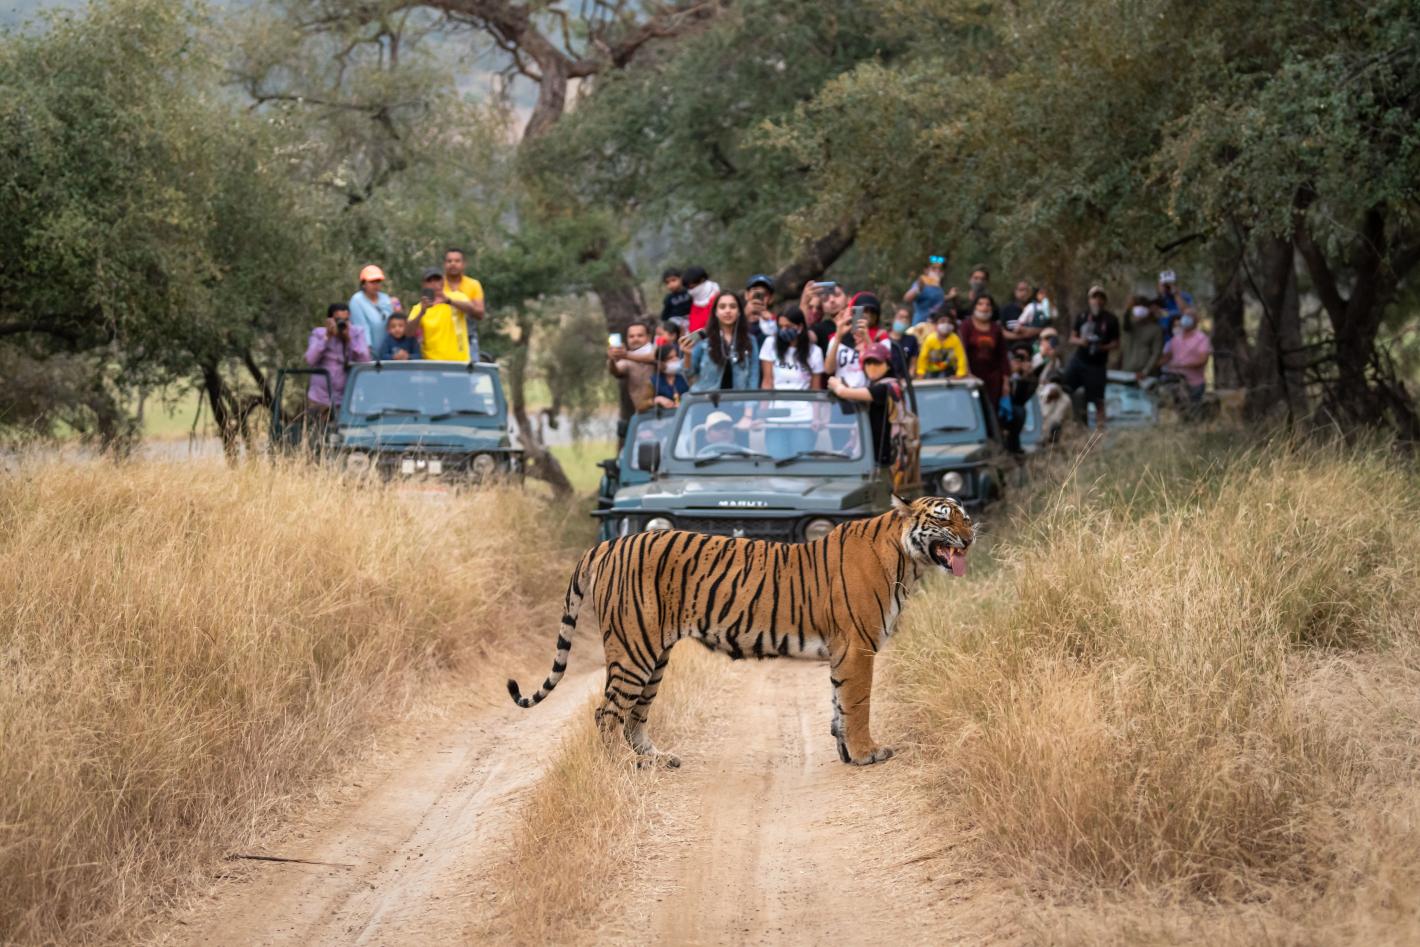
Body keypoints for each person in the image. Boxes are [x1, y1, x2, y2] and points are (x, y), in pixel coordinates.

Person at [827, 342, 900, 468]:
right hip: (873, 453)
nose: (872, 367)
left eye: (877, 363)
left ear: (888, 365)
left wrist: (836, 384)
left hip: (884, 457)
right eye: (868, 363)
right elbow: (855, 398)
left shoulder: (886, 387)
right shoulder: (877, 385)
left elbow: (843, 392)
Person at [1064, 285, 1121, 428]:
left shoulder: (1111, 319)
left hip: (1097, 365)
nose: (1097, 301)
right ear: (1089, 300)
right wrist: (1081, 342)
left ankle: (1101, 427)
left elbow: (1116, 343)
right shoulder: (1082, 316)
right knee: (1066, 388)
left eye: (1100, 297)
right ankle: (1073, 421)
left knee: (1098, 399)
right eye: (1094, 297)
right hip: (1079, 360)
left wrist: (1102, 347)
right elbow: (1072, 338)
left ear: (1104, 301)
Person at [681, 292, 758, 391]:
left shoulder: (750, 340)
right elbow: (689, 374)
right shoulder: (704, 340)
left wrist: (750, 400)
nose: (728, 311)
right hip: (707, 398)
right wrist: (687, 355)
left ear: (739, 312)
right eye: (722, 307)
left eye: (733, 306)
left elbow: (753, 376)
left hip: (739, 399)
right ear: (716, 312)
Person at [304, 302, 371, 413]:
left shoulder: (357, 332)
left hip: (346, 400)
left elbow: (365, 360)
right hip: (320, 398)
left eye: (346, 320)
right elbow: (310, 359)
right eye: (338, 320)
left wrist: (349, 340)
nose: (342, 323)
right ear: (329, 320)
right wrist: (327, 337)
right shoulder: (319, 334)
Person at [958, 293, 1011, 426]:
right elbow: (961, 352)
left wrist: (1006, 382)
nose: (984, 307)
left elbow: (1003, 356)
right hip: (972, 377)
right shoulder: (966, 326)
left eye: (988, 304)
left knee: (991, 411)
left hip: (993, 379)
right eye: (980, 304)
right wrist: (966, 373)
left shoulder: (996, 329)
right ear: (974, 307)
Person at [407, 268, 470, 362]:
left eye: (437, 279)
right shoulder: (418, 308)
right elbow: (408, 333)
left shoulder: (457, 296)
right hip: (433, 364)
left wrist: (449, 301)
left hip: (460, 362)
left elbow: (473, 310)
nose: (434, 284)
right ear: (423, 285)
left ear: (443, 281)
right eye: (429, 281)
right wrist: (422, 312)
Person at [1159, 307, 1212, 409]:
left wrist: (1182, 365)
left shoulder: (1201, 339)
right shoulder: (1176, 338)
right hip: (1175, 381)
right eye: (1185, 316)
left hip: (1193, 383)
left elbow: (1202, 360)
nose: (1186, 318)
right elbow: (1167, 357)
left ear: (1196, 320)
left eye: (1190, 316)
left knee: (1191, 410)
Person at [760, 307, 824, 391]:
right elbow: (767, 382)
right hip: (776, 398)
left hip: (802, 398)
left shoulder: (815, 352)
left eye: (788, 326)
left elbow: (815, 388)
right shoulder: (770, 343)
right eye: (781, 326)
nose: (783, 330)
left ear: (800, 327)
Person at [441, 248, 486, 362]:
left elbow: (480, 313)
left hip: (467, 338)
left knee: (470, 371)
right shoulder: (437, 284)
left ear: (464, 264)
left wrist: (452, 302)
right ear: (444, 264)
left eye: (457, 261)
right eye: (449, 261)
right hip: (441, 339)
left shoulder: (473, 285)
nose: (453, 264)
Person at [349, 264, 400, 356]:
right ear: (363, 284)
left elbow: (394, 322)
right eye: (372, 282)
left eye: (378, 281)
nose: (376, 285)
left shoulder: (385, 298)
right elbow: (362, 328)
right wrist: (366, 351)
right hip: (369, 354)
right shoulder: (356, 300)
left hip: (387, 353)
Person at [608, 319, 657, 413]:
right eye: (631, 336)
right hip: (644, 414)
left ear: (649, 337)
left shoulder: (658, 351)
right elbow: (616, 371)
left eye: (640, 335)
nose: (635, 339)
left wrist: (626, 355)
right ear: (627, 339)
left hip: (670, 409)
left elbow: (654, 358)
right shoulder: (625, 360)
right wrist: (611, 360)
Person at [1002, 345, 1039, 454]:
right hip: (1002, 412)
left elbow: (1021, 399)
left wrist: (1025, 376)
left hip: (1022, 420)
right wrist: (1009, 374)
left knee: (1019, 411)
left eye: (1024, 359)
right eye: (1017, 358)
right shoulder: (1003, 375)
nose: (1020, 362)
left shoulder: (1029, 379)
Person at [1119, 295, 1165, 381]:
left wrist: (1145, 371)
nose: (1140, 309)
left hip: (1145, 375)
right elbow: (1125, 324)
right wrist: (1127, 308)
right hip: (1127, 371)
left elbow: (1156, 353)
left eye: (1143, 307)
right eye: (1137, 306)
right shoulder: (1129, 327)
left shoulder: (1156, 330)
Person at [916, 313, 968, 379]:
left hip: (949, 371)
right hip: (931, 372)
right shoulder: (930, 339)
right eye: (942, 321)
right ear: (936, 325)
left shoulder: (955, 339)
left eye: (949, 322)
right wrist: (921, 372)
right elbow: (923, 357)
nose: (946, 324)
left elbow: (961, 358)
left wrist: (960, 373)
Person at [903, 255, 948, 326]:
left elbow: (939, 302)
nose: (937, 271)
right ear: (926, 270)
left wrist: (950, 296)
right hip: (920, 326)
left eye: (940, 270)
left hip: (934, 327)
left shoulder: (940, 289)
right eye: (933, 269)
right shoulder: (921, 284)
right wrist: (918, 288)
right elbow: (907, 298)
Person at [683, 266, 721, 334]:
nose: (691, 291)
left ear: (702, 280)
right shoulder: (694, 301)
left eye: (692, 287)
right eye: (689, 288)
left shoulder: (719, 299)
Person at [651, 342, 689, 409]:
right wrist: (658, 399)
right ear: (660, 363)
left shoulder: (683, 377)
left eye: (676, 356)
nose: (675, 359)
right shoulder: (654, 381)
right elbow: (643, 404)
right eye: (670, 358)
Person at [745, 274, 778, 349]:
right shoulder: (733, 317)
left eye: (764, 293)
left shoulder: (777, 321)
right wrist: (744, 316)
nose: (759, 296)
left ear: (771, 298)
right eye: (755, 291)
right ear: (746, 295)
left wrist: (771, 320)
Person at [889, 306, 920, 377]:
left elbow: (913, 364)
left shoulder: (912, 340)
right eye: (901, 317)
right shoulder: (884, 338)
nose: (904, 320)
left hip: (905, 380)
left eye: (906, 318)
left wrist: (909, 378)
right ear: (893, 320)